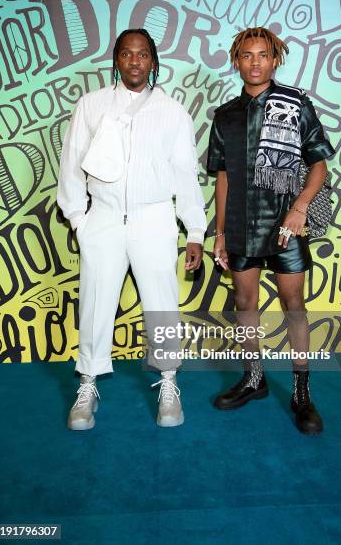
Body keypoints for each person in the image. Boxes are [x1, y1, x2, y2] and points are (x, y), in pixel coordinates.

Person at [57, 28, 206, 430]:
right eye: (127, 54)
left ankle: (169, 385)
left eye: (142, 55)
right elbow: (71, 165)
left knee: (161, 303)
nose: (135, 61)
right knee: (95, 302)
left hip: (154, 217)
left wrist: (194, 230)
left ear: (153, 62)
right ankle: (87, 385)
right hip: (102, 219)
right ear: (117, 60)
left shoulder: (173, 112)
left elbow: (185, 175)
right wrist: (79, 220)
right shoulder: (91, 105)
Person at [207, 27, 335, 435]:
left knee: (293, 304)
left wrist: (299, 209)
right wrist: (221, 233)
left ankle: (301, 393)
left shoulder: (295, 104)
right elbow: (222, 178)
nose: (255, 61)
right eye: (247, 55)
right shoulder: (224, 115)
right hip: (242, 227)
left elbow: (318, 164)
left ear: (275, 59)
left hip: (285, 225)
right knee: (245, 302)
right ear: (236, 61)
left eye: (263, 54)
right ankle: (254, 378)